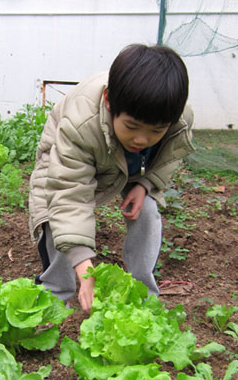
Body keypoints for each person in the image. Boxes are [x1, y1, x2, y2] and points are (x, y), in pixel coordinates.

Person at [28, 44, 194, 312]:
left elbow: (170, 155)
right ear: (108, 101)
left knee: (147, 210)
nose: (142, 139)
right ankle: (52, 299)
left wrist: (145, 184)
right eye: (132, 126)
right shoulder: (80, 124)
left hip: (126, 163)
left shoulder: (176, 116)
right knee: (54, 219)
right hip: (67, 157)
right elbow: (68, 194)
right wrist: (84, 264)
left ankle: (143, 298)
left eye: (155, 130)